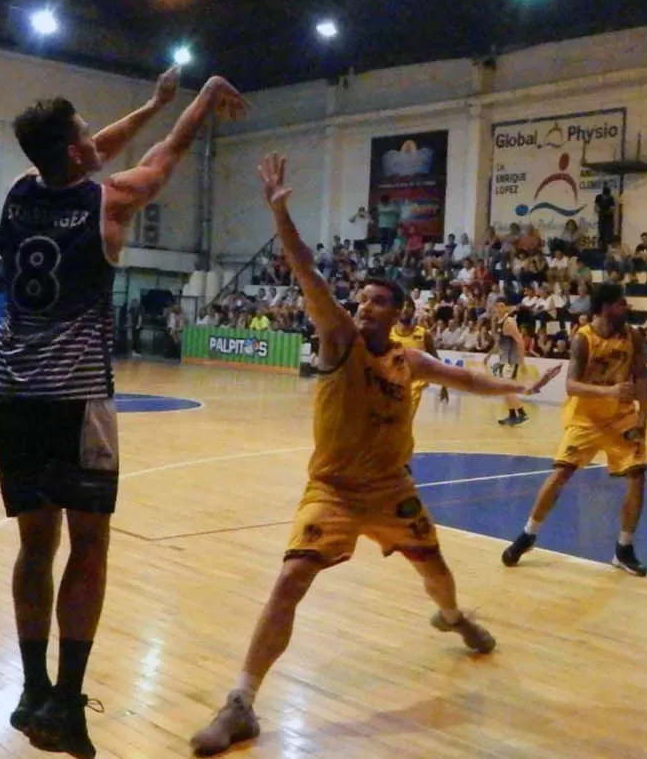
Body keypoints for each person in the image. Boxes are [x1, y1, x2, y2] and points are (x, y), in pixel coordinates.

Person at [190, 154, 561, 756]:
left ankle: (453, 617)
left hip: (391, 489)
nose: (363, 308)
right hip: (333, 492)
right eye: (360, 300)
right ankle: (240, 702)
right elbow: (307, 271)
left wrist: (517, 387)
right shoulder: (338, 339)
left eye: (377, 303)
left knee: (436, 575)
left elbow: (463, 380)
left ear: (400, 313)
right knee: (289, 581)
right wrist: (280, 212)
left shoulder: (408, 359)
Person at [0, 67, 246, 757]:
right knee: (90, 544)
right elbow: (166, 158)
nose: (95, 142)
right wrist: (195, 103)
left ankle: (31, 691)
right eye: (84, 136)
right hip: (72, 397)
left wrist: (150, 103)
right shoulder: (113, 202)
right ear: (75, 152)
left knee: (33, 546)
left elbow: (90, 152)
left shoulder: (21, 192)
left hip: (9, 393)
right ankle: (67, 704)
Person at [500, 283, 647, 576]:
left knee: (638, 475)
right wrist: (610, 391)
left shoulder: (632, 335)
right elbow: (571, 386)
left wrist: (642, 418)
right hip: (586, 417)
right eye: (621, 303)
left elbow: (643, 378)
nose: (626, 308)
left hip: (621, 418)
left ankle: (624, 549)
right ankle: (528, 534)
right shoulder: (583, 338)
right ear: (606, 307)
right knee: (561, 473)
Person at [390, 301, 448, 406]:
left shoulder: (423, 334)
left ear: (413, 310)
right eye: (402, 306)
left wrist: (444, 385)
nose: (405, 309)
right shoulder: (388, 333)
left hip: (414, 387)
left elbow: (436, 360)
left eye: (408, 306)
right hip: (391, 386)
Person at [492, 302, 531, 426]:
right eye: (497, 306)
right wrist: (488, 357)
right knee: (503, 389)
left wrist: (522, 361)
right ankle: (512, 414)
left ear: (506, 308)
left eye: (502, 306)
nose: (499, 308)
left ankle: (522, 413)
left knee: (506, 388)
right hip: (504, 358)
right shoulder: (499, 321)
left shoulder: (509, 322)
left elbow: (520, 340)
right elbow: (500, 343)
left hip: (511, 360)